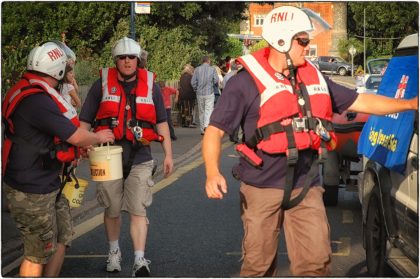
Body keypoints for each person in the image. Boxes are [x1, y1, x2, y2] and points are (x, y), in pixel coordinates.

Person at [202, 6, 418, 277]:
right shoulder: (244, 83)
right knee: (258, 266)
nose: (308, 46)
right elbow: (214, 131)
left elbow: (360, 100)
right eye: (302, 40)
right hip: (261, 186)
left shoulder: (313, 76)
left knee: (316, 264)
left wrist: (410, 102)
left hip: (306, 185)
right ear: (282, 41)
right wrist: (212, 172)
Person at [2, 41, 114, 277]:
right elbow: (75, 135)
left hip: (47, 183)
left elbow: (50, 137)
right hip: (32, 190)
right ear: (59, 71)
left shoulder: (34, 92)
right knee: (36, 254)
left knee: (62, 237)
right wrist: (97, 136)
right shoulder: (38, 101)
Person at [79, 36, 173, 277]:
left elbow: (162, 123)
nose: (128, 61)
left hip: (141, 156)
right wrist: (84, 145)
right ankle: (114, 252)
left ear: (138, 59)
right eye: (122, 57)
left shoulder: (151, 84)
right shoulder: (100, 84)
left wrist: (168, 156)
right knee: (111, 208)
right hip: (106, 155)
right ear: (116, 60)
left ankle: (140, 260)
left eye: (132, 57)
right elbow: (84, 122)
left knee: (138, 209)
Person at [191, 56, 219, 135]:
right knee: (208, 110)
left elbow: (193, 82)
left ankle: (202, 129)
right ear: (208, 61)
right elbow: (216, 80)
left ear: (202, 61)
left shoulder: (197, 69)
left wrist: (196, 89)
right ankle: (206, 126)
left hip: (199, 93)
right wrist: (212, 85)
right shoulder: (212, 69)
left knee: (201, 111)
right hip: (209, 93)